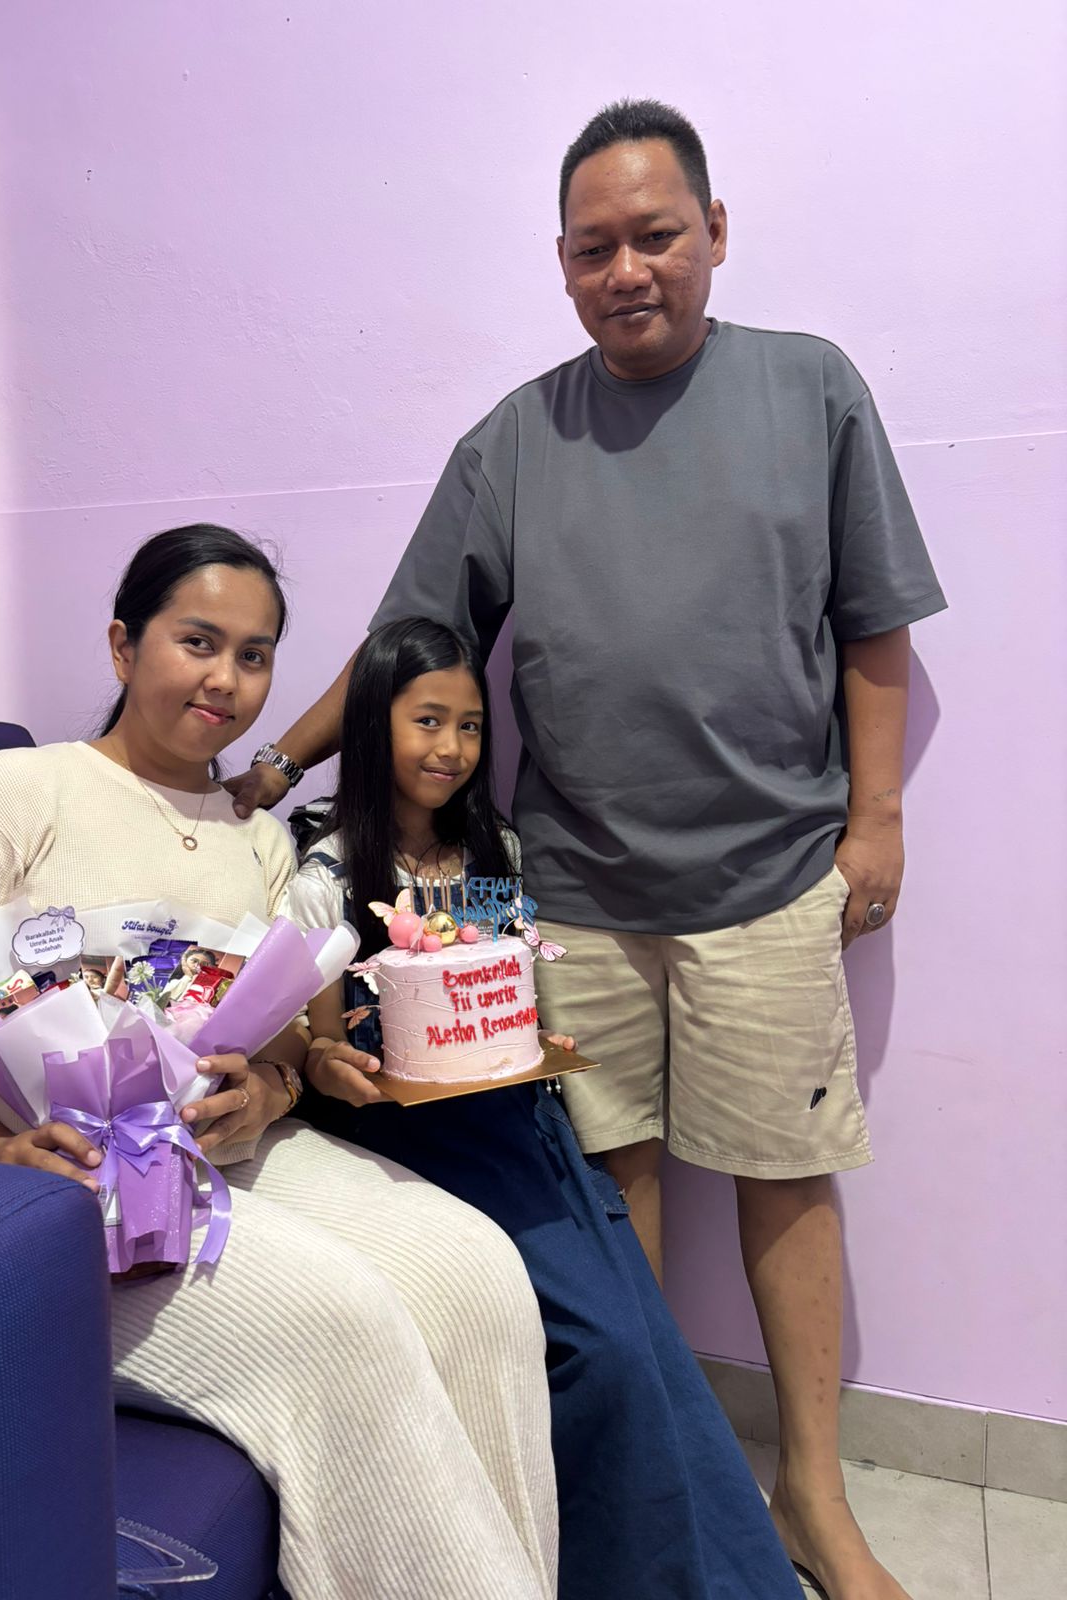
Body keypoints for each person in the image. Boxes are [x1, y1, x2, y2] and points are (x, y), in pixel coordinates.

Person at [227, 100, 947, 1600]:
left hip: (771, 876)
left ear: (715, 233)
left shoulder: (812, 389)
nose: (629, 271)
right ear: (561, 262)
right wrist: (282, 762)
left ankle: (814, 1498)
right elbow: (407, 638)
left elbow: (873, 622)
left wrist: (876, 817)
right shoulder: (512, 441)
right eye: (594, 248)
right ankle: (649, 1476)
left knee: (785, 1175)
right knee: (606, 1193)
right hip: (570, 896)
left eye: (657, 236)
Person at [0, 526, 558, 1600]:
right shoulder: (17, 791)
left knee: (479, 1272)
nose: (226, 679)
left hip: (231, 1155)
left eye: (255, 655)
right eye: (198, 642)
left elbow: (279, 1034)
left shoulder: (259, 839)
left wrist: (272, 1087)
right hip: (67, 1197)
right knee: (342, 1318)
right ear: (123, 645)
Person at [280, 615, 802, 1600]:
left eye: (471, 726)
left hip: (526, 1131)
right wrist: (330, 1062)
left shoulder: (496, 849)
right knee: (597, 1351)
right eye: (426, 720)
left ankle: (715, 1575)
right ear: (371, 722)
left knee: (644, 1344)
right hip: (407, 1147)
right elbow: (315, 1045)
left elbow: (512, 1000)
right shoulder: (326, 870)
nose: (451, 748)